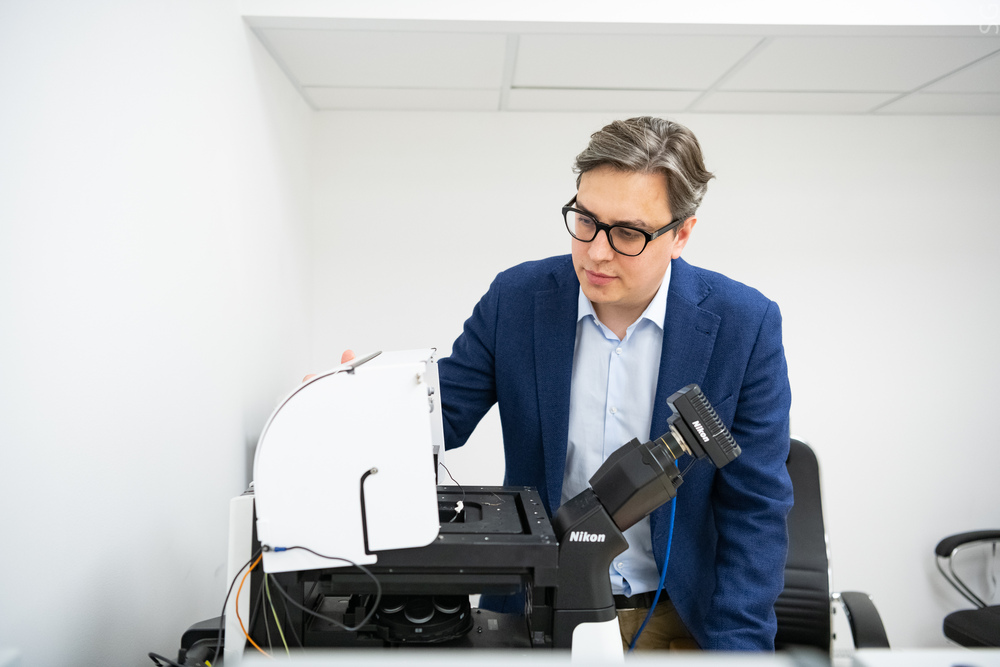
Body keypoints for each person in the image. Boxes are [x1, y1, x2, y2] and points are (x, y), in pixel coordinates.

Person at [432, 117, 793, 651]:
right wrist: (354, 406)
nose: (596, 252)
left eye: (628, 233)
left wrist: (739, 653)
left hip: (675, 618)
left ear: (681, 235)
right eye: (585, 220)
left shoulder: (745, 324)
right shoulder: (517, 299)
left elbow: (756, 509)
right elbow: (440, 418)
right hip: (534, 614)